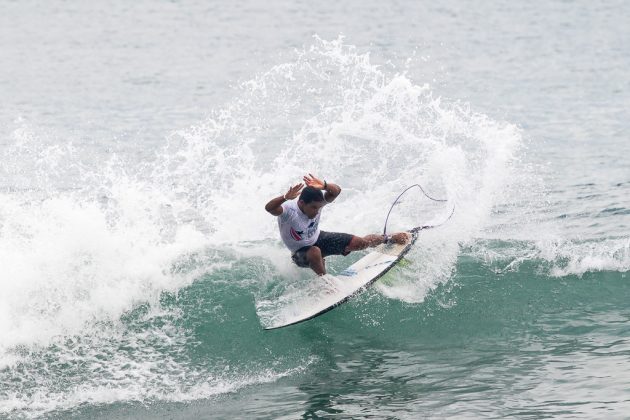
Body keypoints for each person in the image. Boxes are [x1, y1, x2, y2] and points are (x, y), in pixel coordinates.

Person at [265, 173, 410, 275]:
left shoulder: (318, 202)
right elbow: (269, 208)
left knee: (360, 242)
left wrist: (325, 185)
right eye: (314, 208)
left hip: (318, 238)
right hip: (300, 253)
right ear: (302, 203)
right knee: (315, 252)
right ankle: (325, 281)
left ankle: (388, 239)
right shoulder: (289, 211)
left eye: (319, 207)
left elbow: (336, 191)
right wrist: (284, 197)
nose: (317, 211)